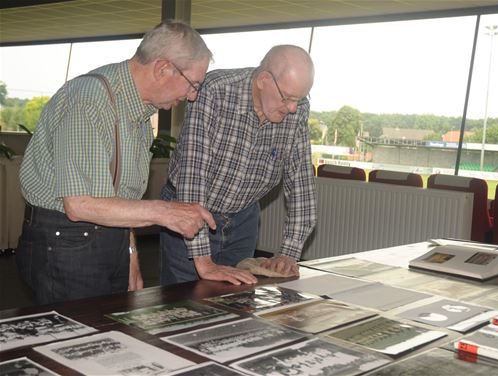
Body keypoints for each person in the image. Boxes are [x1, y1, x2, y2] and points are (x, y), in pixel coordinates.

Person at [16, 20, 216, 305]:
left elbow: (119, 199)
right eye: (193, 84)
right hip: (65, 243)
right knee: (78, 341)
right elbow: (80, 205)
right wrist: (167, 212)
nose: (192, 96)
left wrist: (131, 255)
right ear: (163, 69)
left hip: (108, 237)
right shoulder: (90, 100)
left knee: (110, 335)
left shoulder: (139, 113)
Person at [160, 45, 316, 286]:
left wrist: (289, 252)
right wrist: (203, 260)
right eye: (287, 98)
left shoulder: (298, 109)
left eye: (300, 99)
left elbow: (302, 183)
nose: (293, 108)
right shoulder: (216, 91)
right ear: (263, 80)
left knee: (236, 304)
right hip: (189, 212)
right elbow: (193, 177)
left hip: (243, 218)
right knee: (184, 302)